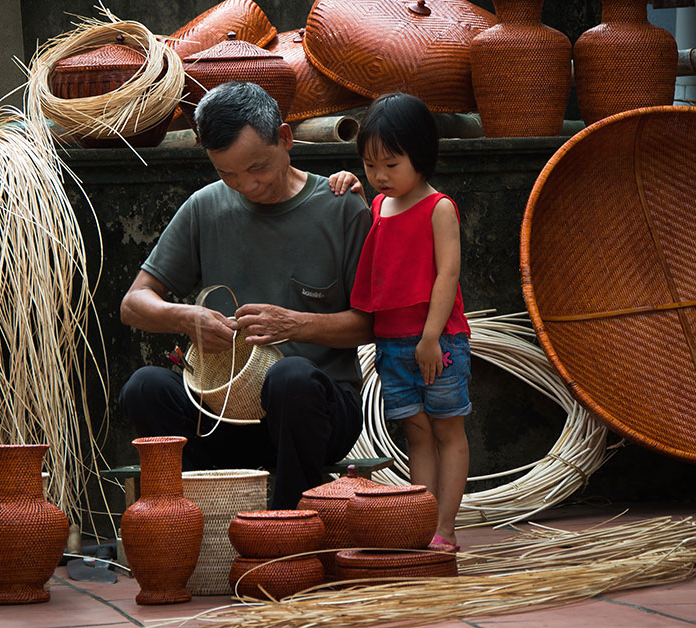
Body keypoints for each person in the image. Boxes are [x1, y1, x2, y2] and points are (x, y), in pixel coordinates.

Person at [118, 81, 373, 509]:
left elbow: (372, 325)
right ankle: (187, 520)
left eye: (258, 167)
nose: (247, 185)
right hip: (219, 417)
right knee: (145, 387)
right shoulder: (206, 206)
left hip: (314, 414)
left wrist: (294, 325)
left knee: (290, 378)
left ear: (285, 139)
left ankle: (288, 532)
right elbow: (134, 303)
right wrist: (187, 318)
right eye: (228, 174)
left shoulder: (342, 206)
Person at [345, 92, 471, 553]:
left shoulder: (438, 207)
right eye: (369, 164)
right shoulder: (379, 205)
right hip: (392, 344)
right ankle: (422, 526)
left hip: (438, 342)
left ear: (421, 157)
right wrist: (354, 189)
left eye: (390, 164)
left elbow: (448, 273)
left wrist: (431, 337)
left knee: (447, 430)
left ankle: (446, 527)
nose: (379, 175)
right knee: (417, 435)